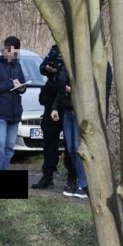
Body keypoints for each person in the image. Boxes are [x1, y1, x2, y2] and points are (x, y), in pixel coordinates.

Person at [32, 44, 77, 190]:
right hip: (51, 97)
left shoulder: (76, 49)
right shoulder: (56, 48)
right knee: (49, 140)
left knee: (71, 143)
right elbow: (42, 67)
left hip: (68, 100)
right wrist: (47, 69)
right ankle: (48, 175)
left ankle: (73, 177)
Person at [0, 36, 27, 170]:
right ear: (5, 49)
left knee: (9, 147)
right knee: (0, 145)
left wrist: (22, 87)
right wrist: (10, 84)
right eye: (12, 53)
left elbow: (22, 81)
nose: (14, 56)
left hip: (14, 112)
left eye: (16, 54)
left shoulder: (16, 64)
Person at [50, 66, 88, 199]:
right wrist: (55, 108)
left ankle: (83, 184)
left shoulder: (84, 67)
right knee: (71, 150)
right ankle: (79, 182)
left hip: (79, 113)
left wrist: (74, 92)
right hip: (67, 112)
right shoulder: (65, 68)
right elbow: (60, 91)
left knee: (78, 150)